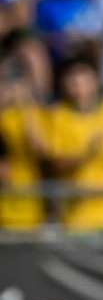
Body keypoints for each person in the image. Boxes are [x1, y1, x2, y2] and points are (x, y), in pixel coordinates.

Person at [42, 56, 103, 230]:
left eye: (84, 80)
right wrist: (86, 154)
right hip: (78, 218)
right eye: (73, 81)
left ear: (96, 81)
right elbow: (56, 164)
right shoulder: (57, 116)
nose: (79, 87)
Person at [0, 75, 45, 229]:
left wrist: (27, 109)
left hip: (27, 202)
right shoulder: (5, 118)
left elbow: (39, 148)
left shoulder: (36, 114)